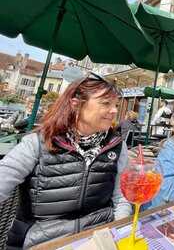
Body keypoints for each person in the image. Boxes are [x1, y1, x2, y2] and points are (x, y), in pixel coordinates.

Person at [0, 74, 132, 248]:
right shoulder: (38, 143)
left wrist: (119, 234)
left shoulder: (116, 146)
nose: (115, 110)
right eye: (106, 103)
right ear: (76, 104)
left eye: (115, 105)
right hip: (44, 242)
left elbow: (121, 198)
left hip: (98, 238)